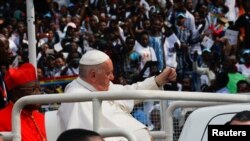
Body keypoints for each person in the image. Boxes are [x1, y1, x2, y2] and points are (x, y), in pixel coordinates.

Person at [58, 49, 177, 141]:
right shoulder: (77, 99)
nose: (112, 77)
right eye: (108, 73)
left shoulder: (101, 86)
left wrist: (158, 81)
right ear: (93, 75)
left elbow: (130, 92)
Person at [0, 63, 47, 141]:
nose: (39, 94)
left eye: (39, 89)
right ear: (15, 93)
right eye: (33, 90)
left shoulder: (41, 117)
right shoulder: (1, 119)